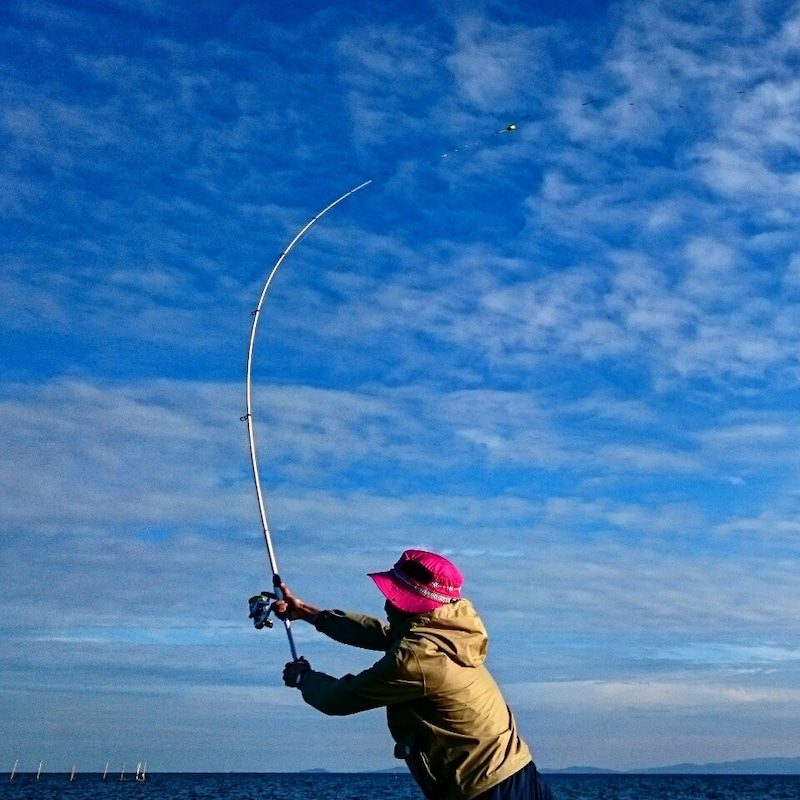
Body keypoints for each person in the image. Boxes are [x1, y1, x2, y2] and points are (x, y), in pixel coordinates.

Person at [272, 549, 554, 800]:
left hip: (484, 790)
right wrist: (307, 612)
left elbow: (341, 699)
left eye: (394, 597)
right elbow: (382, 634)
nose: (386, 604)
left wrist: (304, 678)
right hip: (519, 772)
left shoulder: (417, 659)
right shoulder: (450, 631)